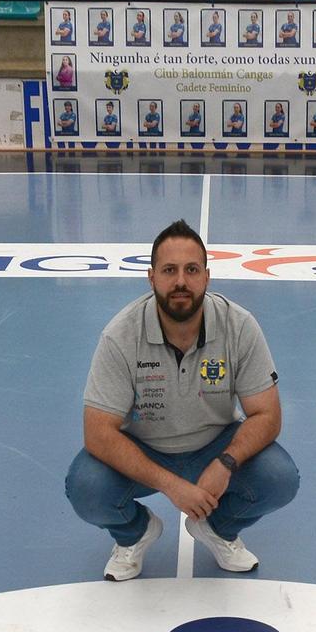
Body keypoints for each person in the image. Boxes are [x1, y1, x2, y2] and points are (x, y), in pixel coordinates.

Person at [67, 221, 298, 581]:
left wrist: (225, 463)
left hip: (214, 444)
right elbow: (97, 432)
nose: (180, 282)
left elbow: (267, 414)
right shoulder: (120, 335)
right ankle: (134, 533)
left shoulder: (239, 326)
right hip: (145, 449)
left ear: (206, 277)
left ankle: (218, 528)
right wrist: (171, 485)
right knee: (85, 487)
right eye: (169, 270)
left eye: (191, 270)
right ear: (151, 277)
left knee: (280, 478)